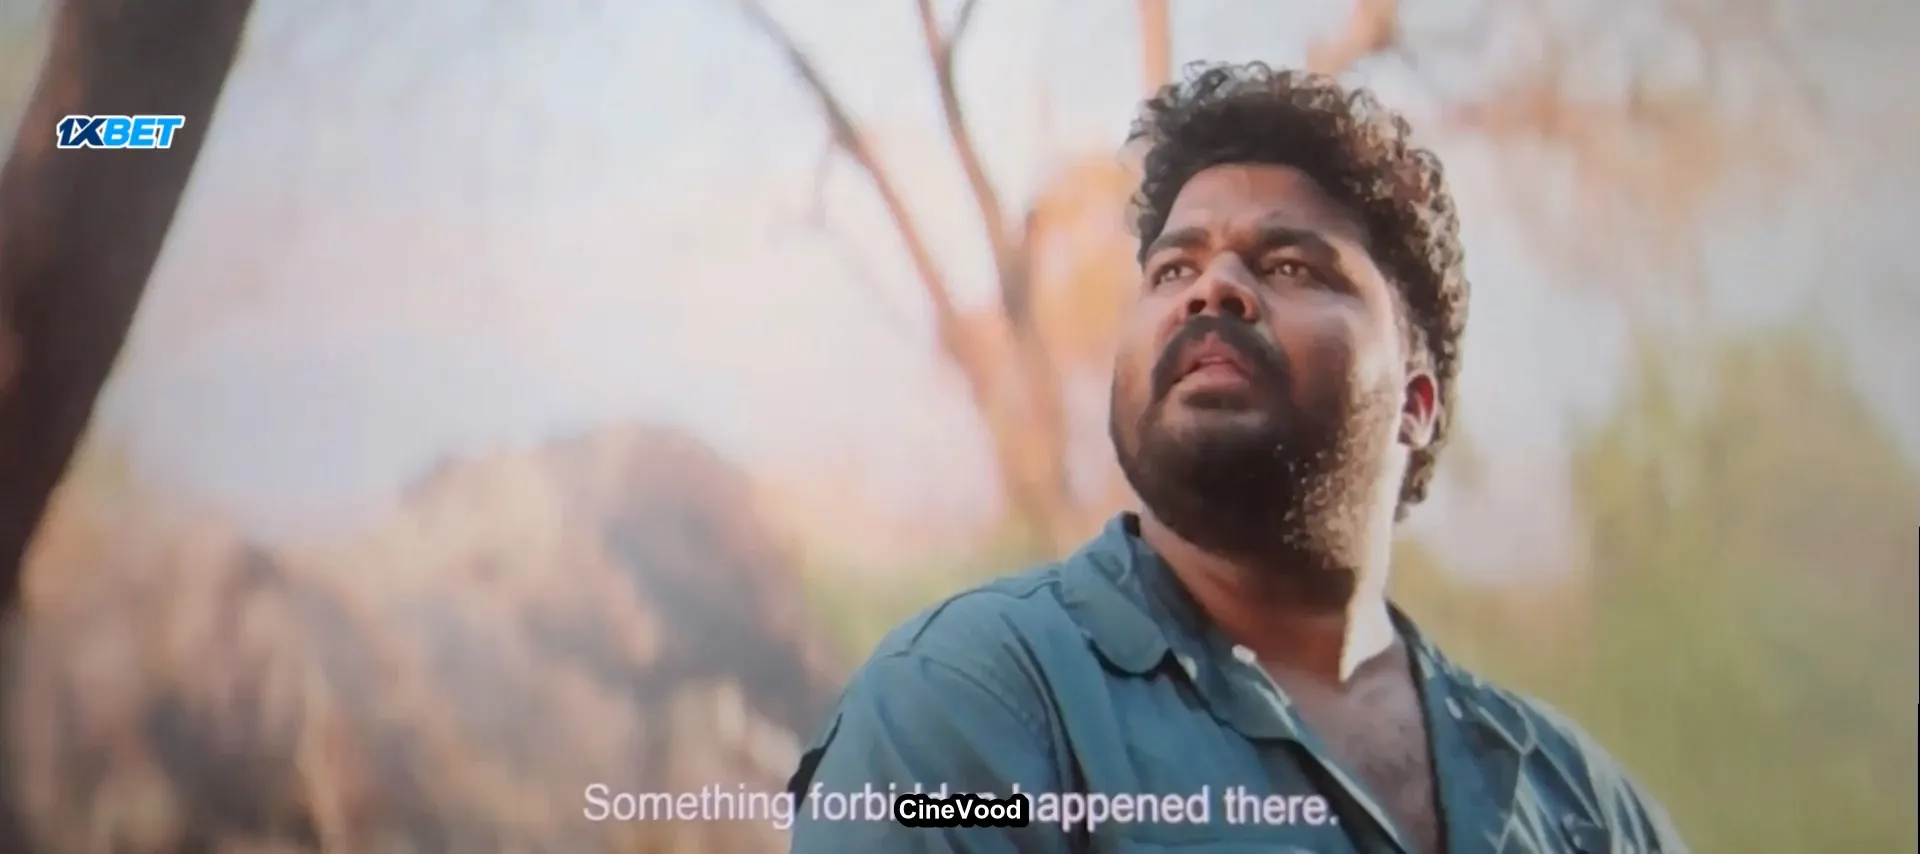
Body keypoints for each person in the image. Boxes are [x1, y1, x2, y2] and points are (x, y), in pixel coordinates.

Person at [786, 62, 1687, 854]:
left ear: (1415, 404)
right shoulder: (965, 704)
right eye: (1173, 270)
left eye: (1291, 266)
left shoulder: (1584, 809)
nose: (1214, 287)